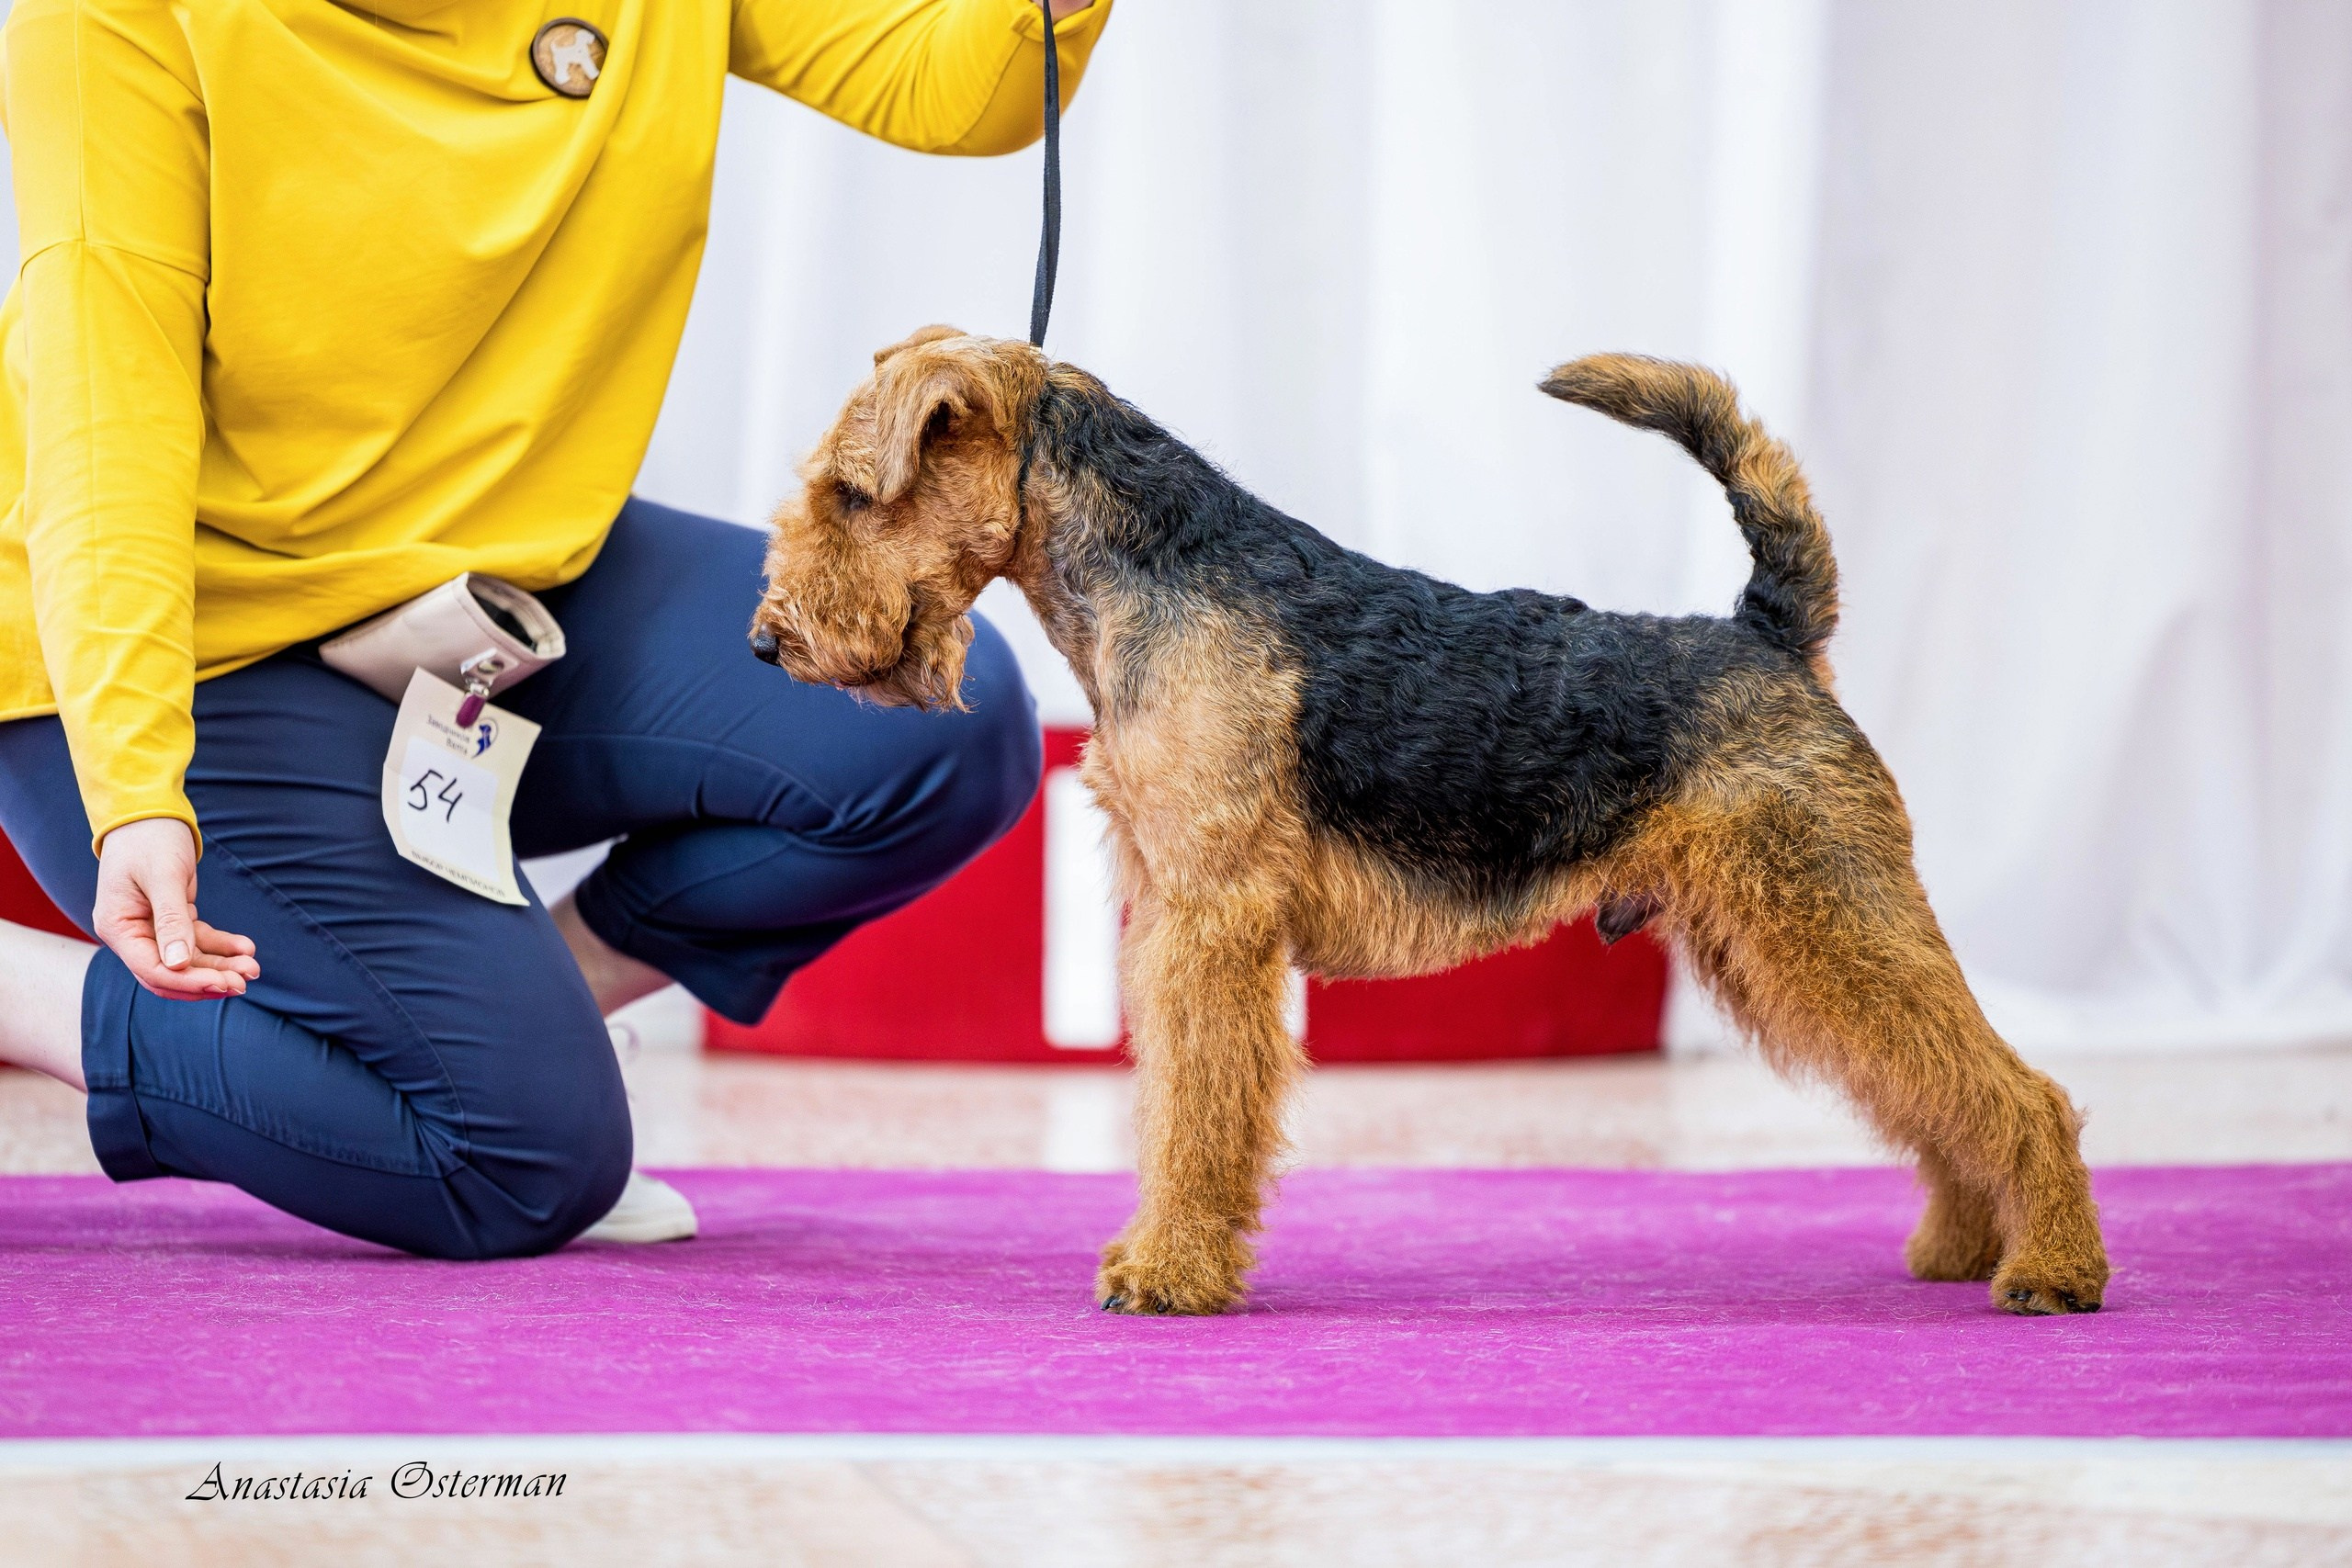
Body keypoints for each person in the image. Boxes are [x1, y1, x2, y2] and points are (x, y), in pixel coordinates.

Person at [0, 0, 1108, 1258]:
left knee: (931, 731)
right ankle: (26, 997)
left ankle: (544, 1011)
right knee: (522, 1160)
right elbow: (105, 441)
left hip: (496, 590)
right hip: (192, 648)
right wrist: (136, 784)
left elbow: (955, 87)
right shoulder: (111, 18)